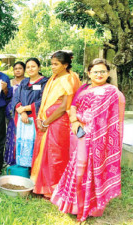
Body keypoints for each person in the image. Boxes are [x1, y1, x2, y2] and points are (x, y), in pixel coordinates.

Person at [51, 58, 125, 222]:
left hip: (100, 139)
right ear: (89, 73)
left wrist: (94, 128)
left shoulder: (112, 92)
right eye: (96, 71)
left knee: (90, 169)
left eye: (103, 71)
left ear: (108, 73)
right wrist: (75, 121)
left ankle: (92, 207)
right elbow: (72, 107)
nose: (99, 74)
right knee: (78, 169)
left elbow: (115, 119)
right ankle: (74, 205)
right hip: (80, 135)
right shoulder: (83, 89)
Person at [31, 51, 81, 198]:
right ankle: (42, 185)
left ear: (65, 65)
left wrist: (46, 121)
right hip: (47, 122)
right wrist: (41, 119)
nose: (52, 67)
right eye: (52, 64)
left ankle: (54, 188)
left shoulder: (68, 79)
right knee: (43, 153)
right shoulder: (54, 78)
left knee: (55, 156)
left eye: (56, 64)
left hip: (58, 123)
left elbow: (63, 106)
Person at [11, 58, 48, 167]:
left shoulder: (45, 82)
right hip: (22, 119)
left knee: (35, 144)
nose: (30, 69)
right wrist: (21, 112)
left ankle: (35, 169)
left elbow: (43, 100)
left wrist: (25, 109)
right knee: (23, 144)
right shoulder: (24, 82)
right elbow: (16, 98)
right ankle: (23, 167)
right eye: (28, 67)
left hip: (36, 118)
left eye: (33, 66)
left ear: (39, 67)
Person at [4, 61, 26, 165]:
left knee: (22, 134)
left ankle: (22, 158)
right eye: (15, 68)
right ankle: (11, 158)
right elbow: (7, 96)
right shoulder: (10, 81)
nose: (17, 70)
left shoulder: (27, 81)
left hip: (24, 111)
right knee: (12, 133)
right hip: (11, 111)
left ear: (24, 70)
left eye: (20, 68)